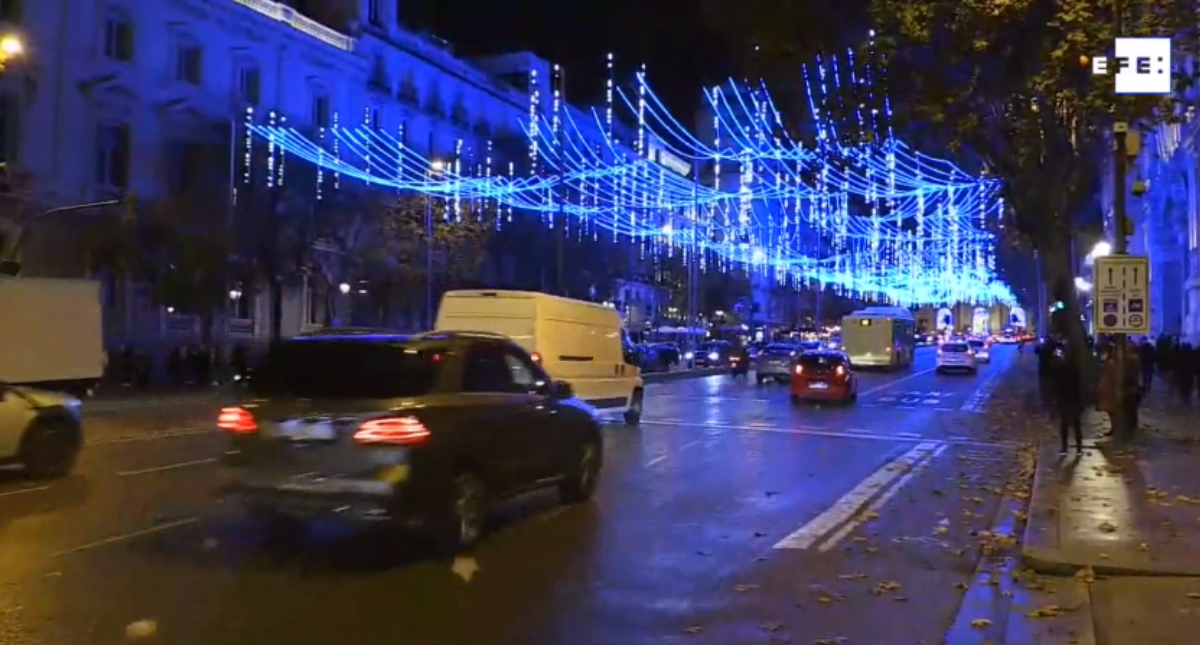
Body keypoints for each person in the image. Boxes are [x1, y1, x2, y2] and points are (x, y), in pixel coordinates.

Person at [1054, 342, 1085, 455]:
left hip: (1066, 400)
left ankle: (1065, 448)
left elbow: (1057, 384)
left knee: (1065, 425)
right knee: (1075, 425)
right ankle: (1078, 448)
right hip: (1073, 400)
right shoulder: (1076, 370)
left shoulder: (1061, 370)